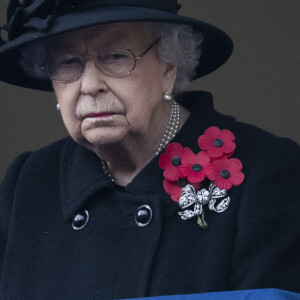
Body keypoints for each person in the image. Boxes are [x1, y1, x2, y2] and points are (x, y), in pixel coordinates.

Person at [0, 1, 299, 299]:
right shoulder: (27, 184)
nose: (90, 85)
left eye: (115, 56)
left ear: (170, 65)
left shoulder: (269, 172)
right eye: (67, 62)